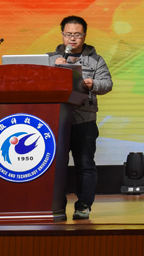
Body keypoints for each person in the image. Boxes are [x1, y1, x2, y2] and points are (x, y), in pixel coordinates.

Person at [48, 15, 113, 220]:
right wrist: (53, 70)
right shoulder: (50, 59)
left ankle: (83, 205)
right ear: (62, 35)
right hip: (55, 121)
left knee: (85, 164)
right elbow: (35, 81)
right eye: (68, 34)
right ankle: (55, 206)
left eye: (77, 34)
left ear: (84, 36)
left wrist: (93, 84)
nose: (72, 38)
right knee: (54, 166)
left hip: (84, 119)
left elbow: (107, 84)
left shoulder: (96, 60)